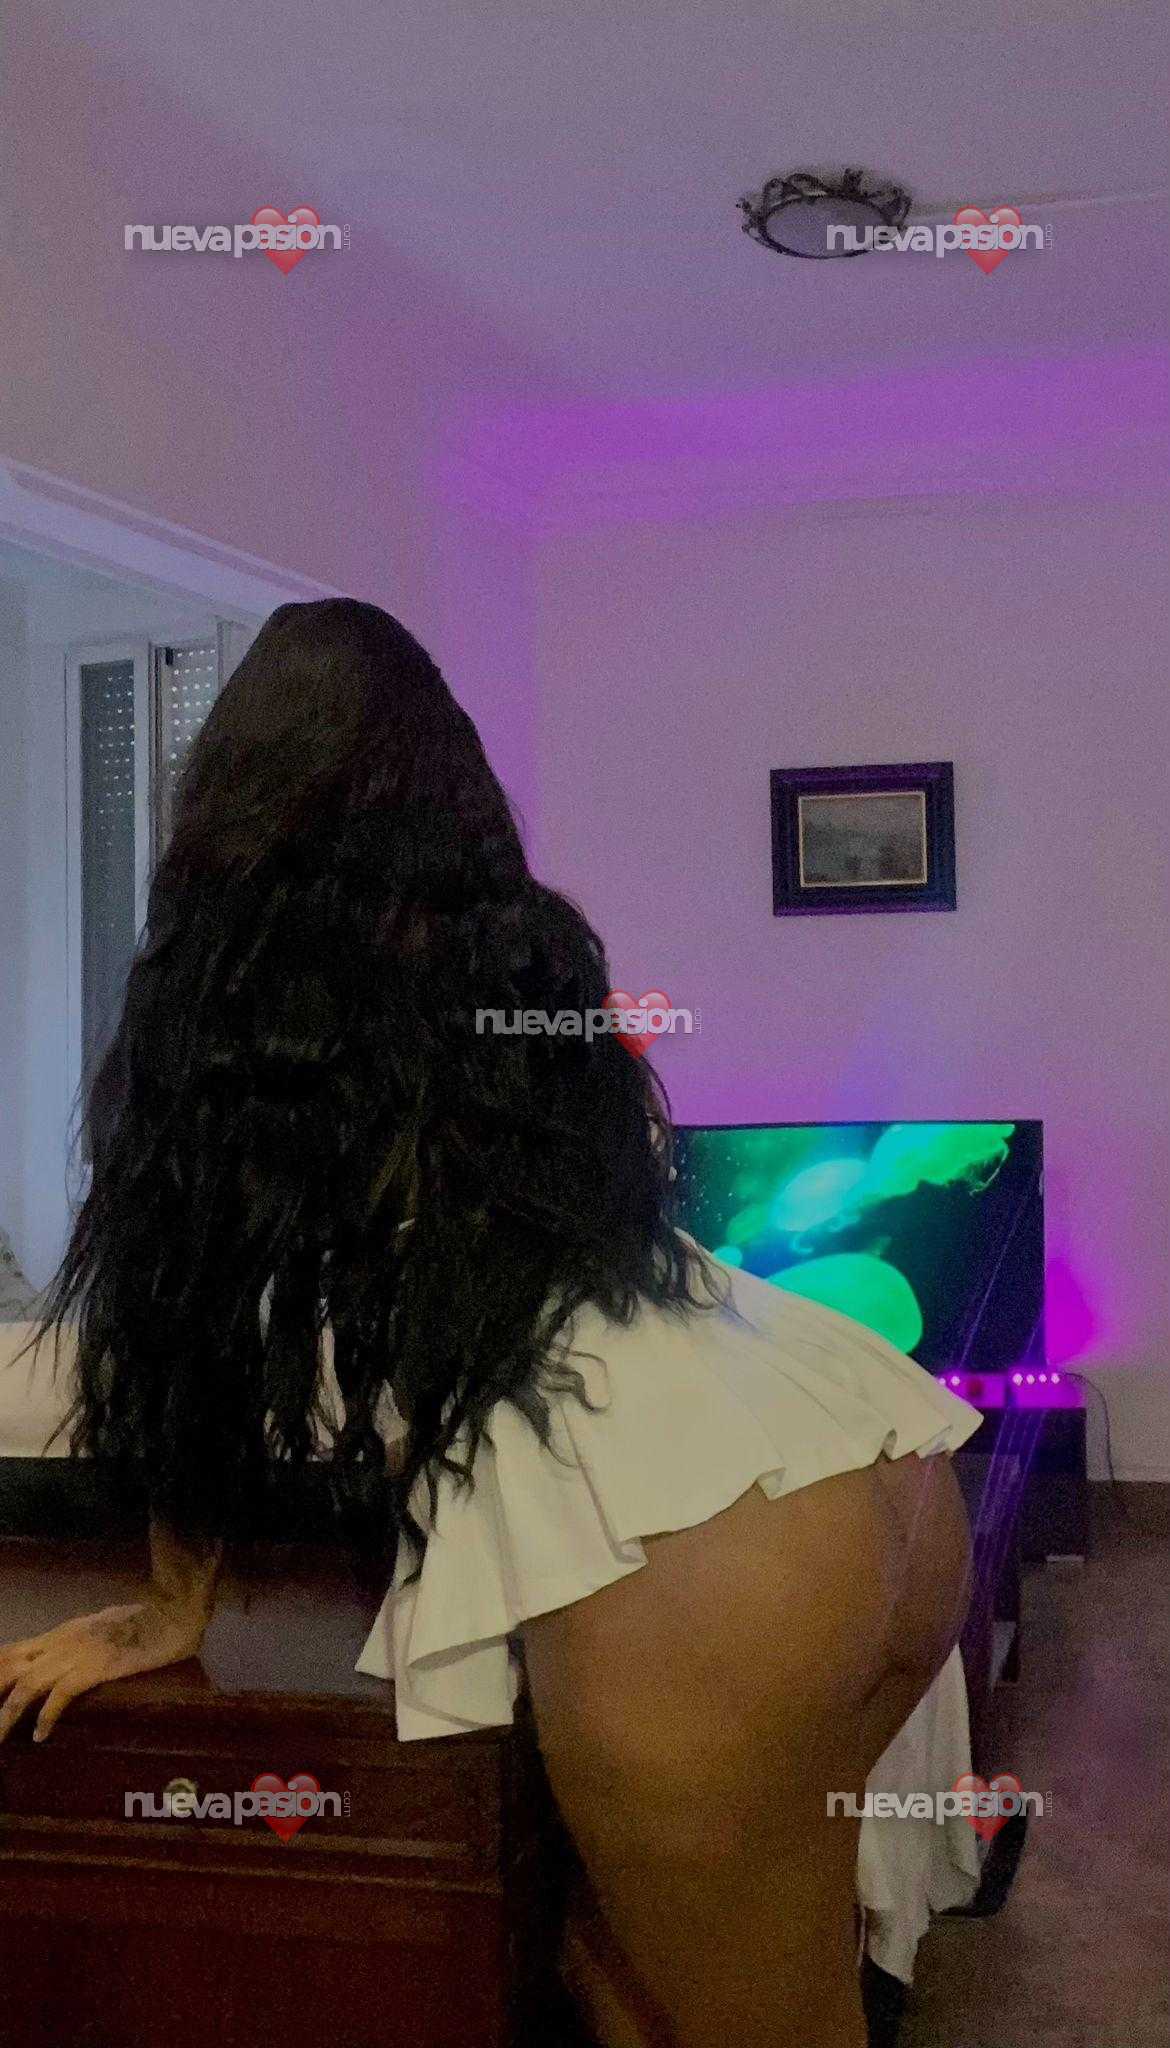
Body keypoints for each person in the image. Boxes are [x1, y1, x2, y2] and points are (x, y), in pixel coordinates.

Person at [0, 599, 977, 2048]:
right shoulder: (527, 954)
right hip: (858, 1443)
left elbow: (185, 1317)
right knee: (629, 1970)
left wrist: (172, 1609)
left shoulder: (229, 998)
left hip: (692, 1532)